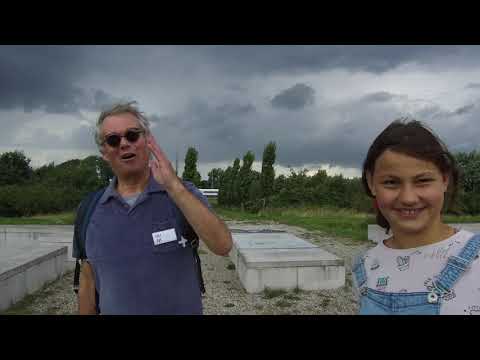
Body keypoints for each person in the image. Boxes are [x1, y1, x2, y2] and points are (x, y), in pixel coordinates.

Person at [74, 101, 233, 315]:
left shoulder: (181, 193)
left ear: (147, 139)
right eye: (113, 140)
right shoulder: (89, 209)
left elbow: (222, 245)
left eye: (132, 135)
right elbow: (87, 279)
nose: (123, 144)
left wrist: (173, 186)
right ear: (104, 152)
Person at [353, 118, 480, 315]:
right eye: (391, 182)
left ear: (445, 179)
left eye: (423, 181)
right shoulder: (364, 267)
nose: (408, 198)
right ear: (371, 183)